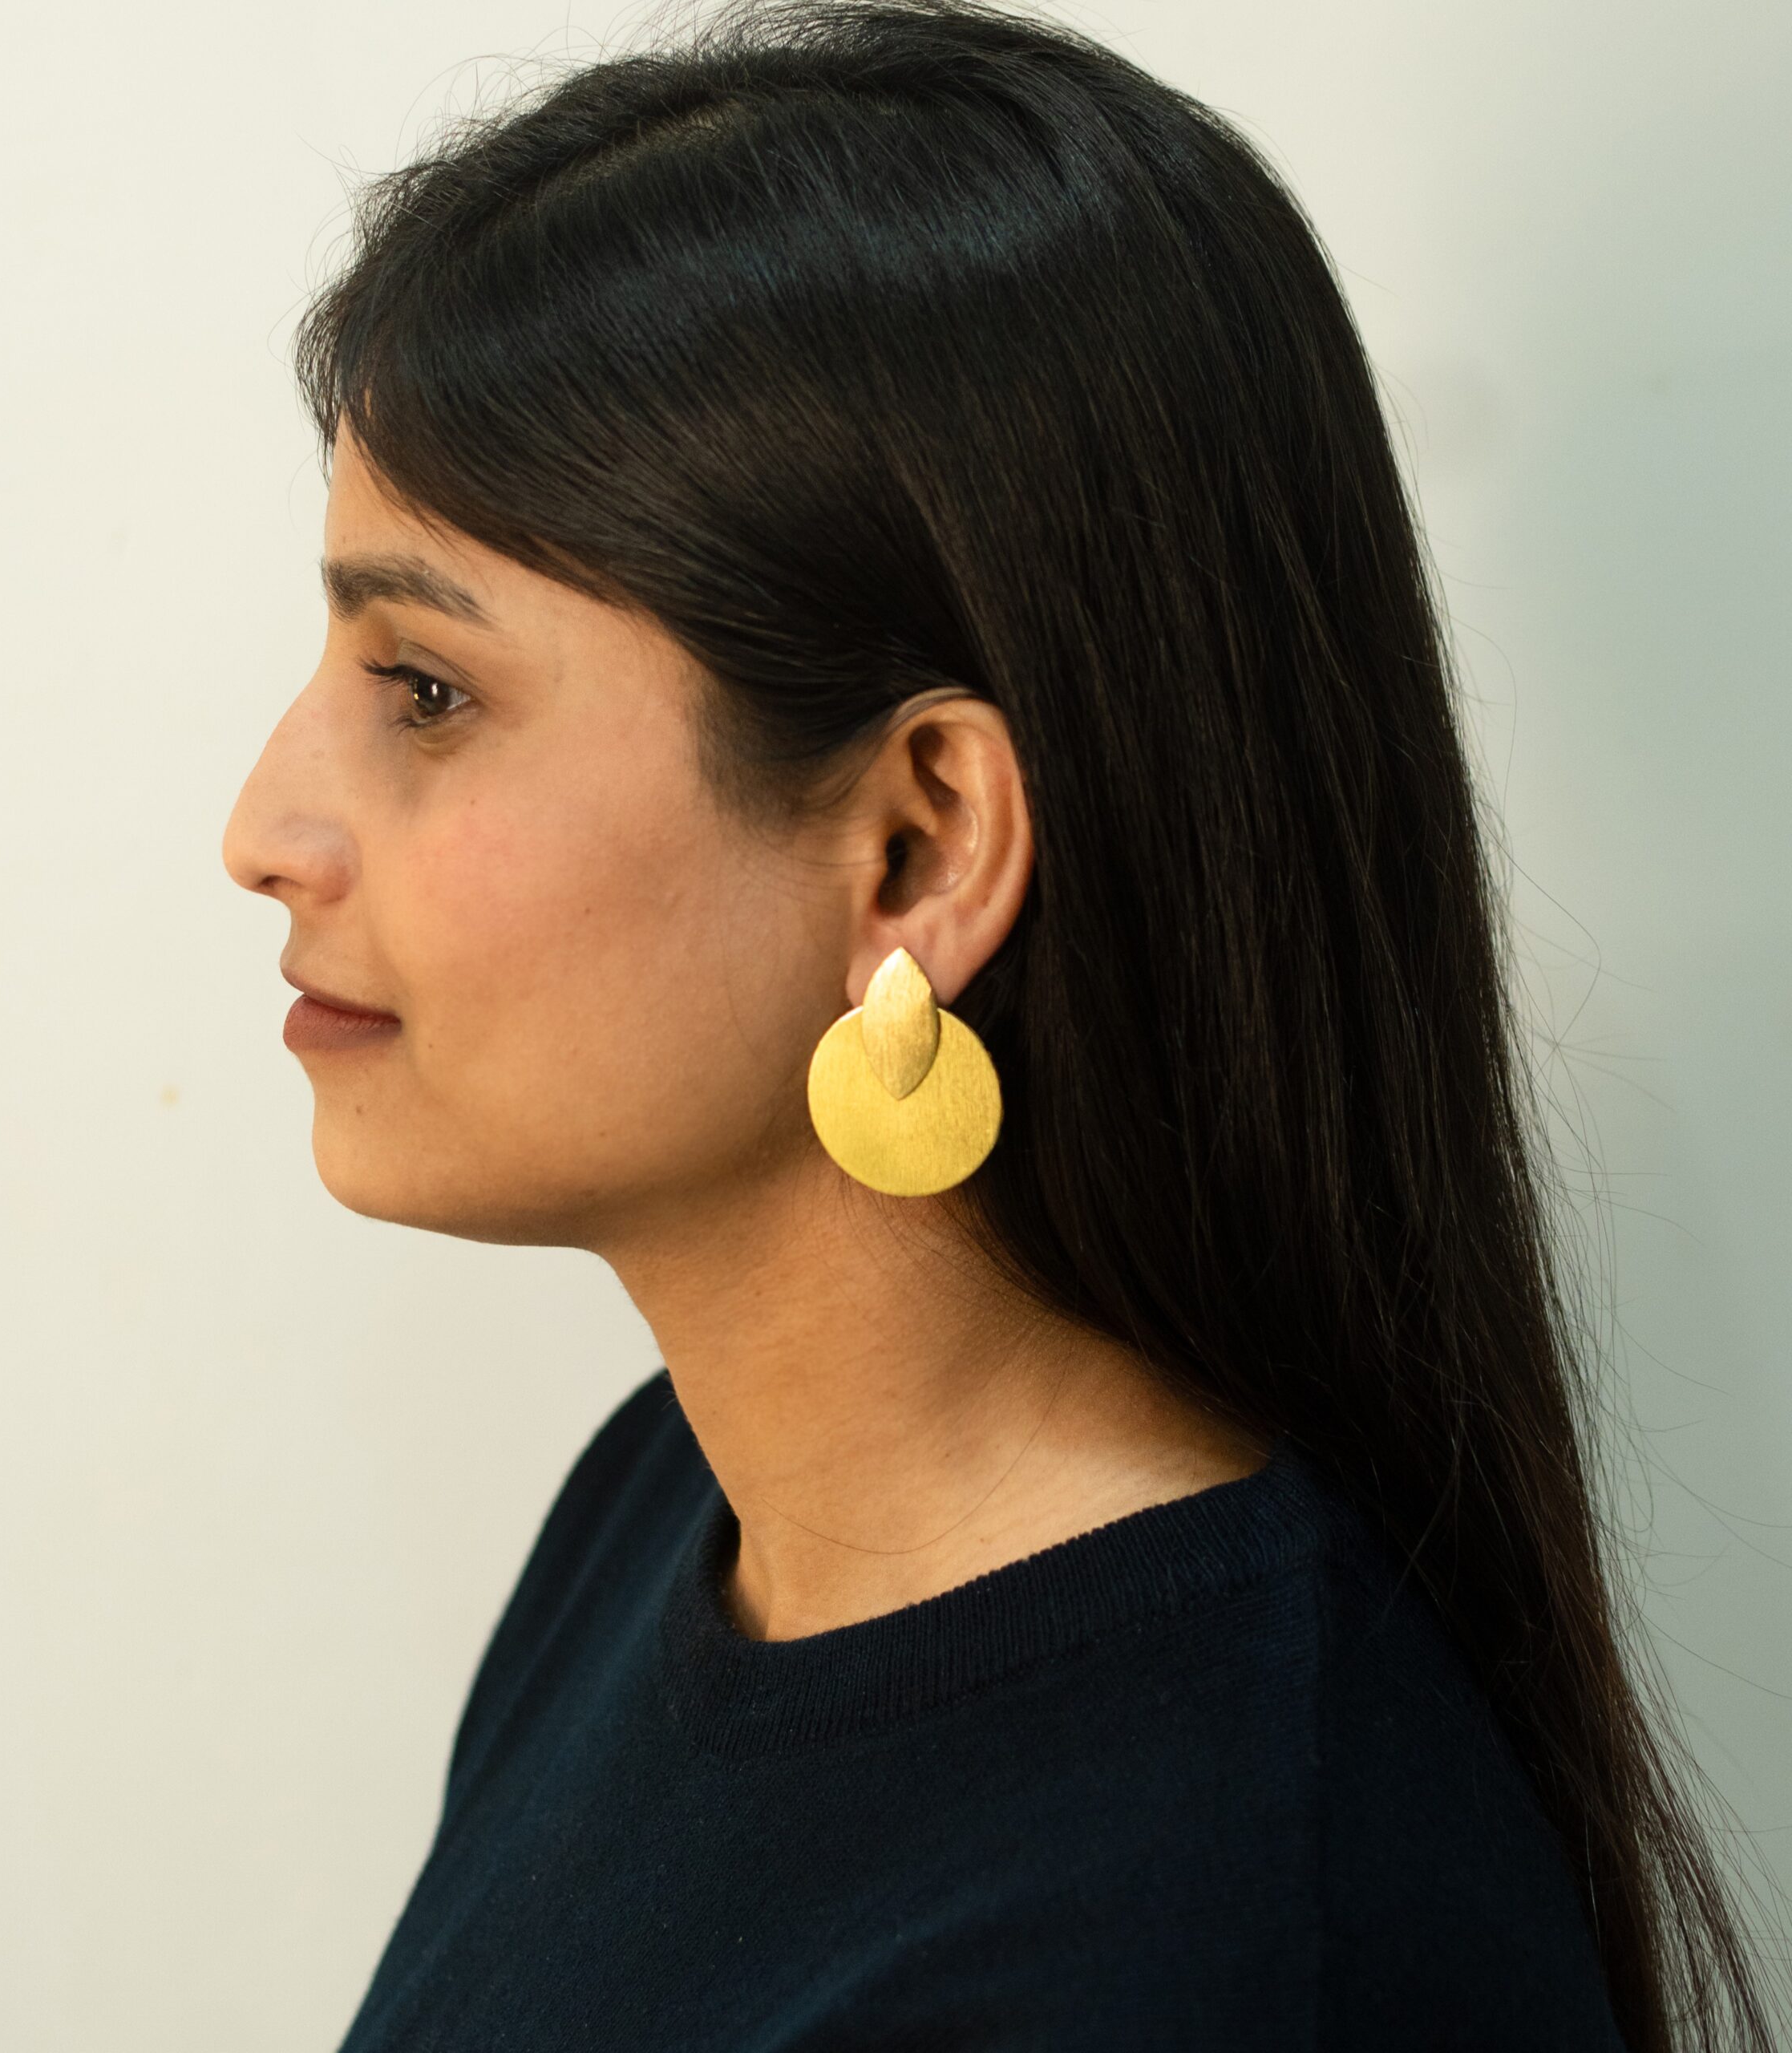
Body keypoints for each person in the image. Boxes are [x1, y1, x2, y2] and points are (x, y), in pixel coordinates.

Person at [222, 2, 1777, 2044]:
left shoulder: (1205, 1948)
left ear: (916, 842)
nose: (265, 828)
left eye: (424, 688)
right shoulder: (672, 1519)